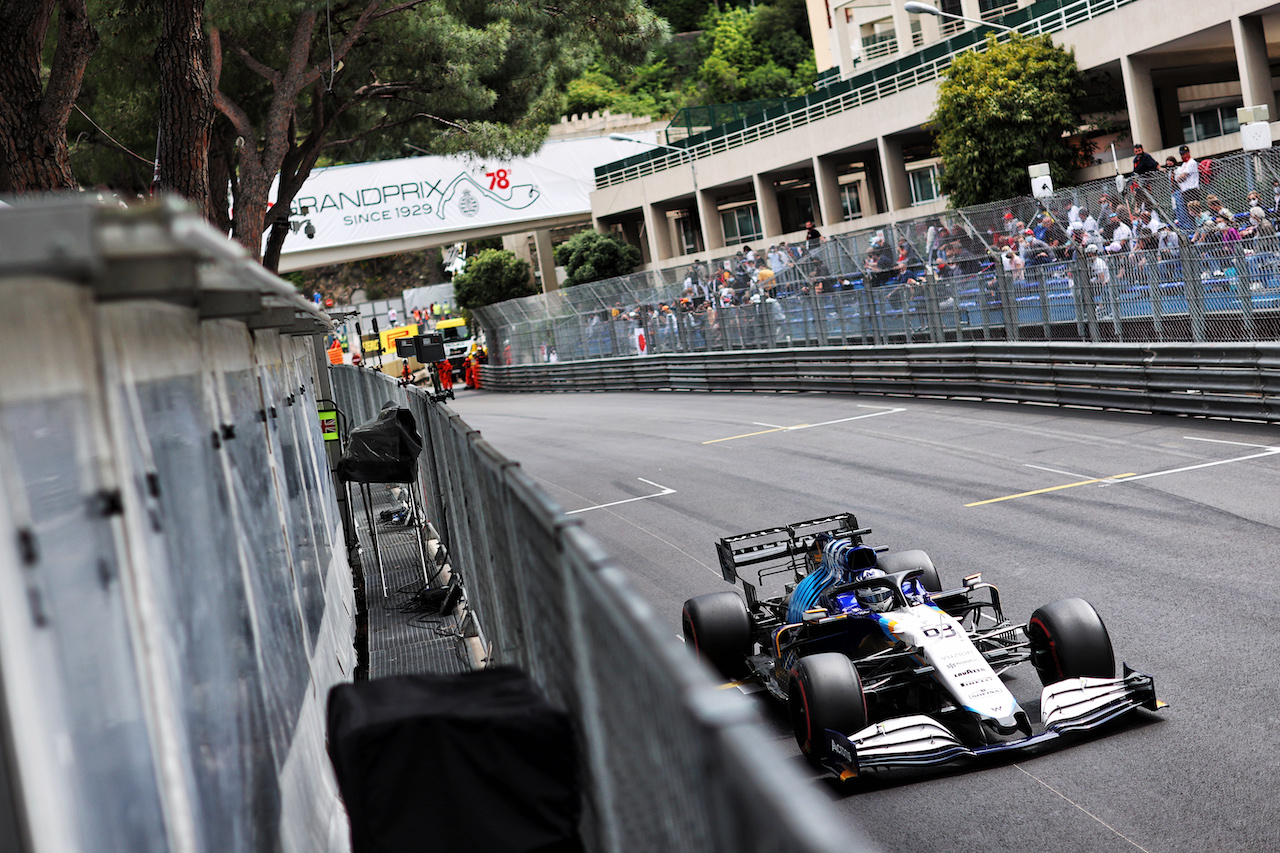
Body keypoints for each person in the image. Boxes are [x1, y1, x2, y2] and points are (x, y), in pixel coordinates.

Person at [1173, 145, 1201, 227]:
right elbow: (1177, 178)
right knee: (1189, 213)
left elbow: (1183, 176)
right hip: (1185, 191)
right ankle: (1194, 228)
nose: (1182, 156)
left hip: (1192, 190)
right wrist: (1180, 178)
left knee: (1195, 210)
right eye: (1181, 154)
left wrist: (1180, 177)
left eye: (1184, 154)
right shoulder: (1183, 165)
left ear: (1188, 153)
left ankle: (1198, 226)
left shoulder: (1192, 162)